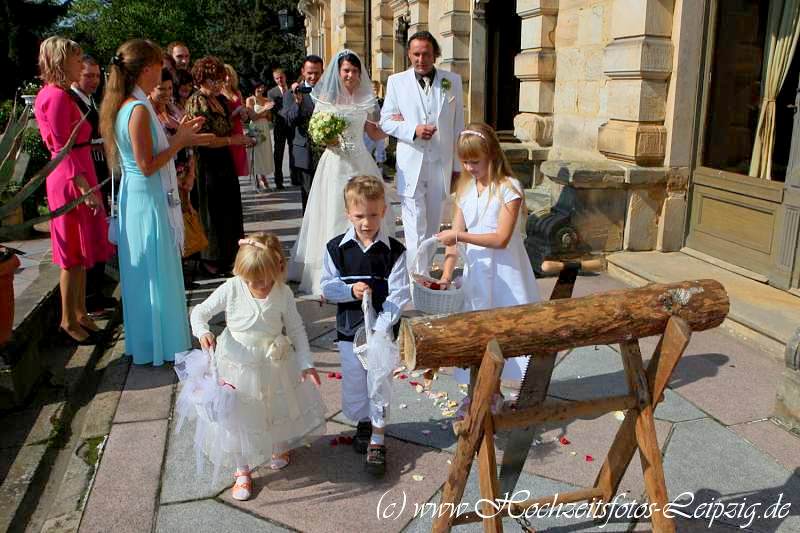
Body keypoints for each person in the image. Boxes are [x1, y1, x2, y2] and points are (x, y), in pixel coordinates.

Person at [189, 232, 327, 500]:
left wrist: (306, 362)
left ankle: (279, 443)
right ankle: (242, 470)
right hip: (237, 363)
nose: (258, 285)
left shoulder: (283, 292)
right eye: (251, 280)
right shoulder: (232, 288)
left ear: (278, 267)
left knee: (276, 406)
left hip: (274, 361)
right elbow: (200, 312)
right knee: (237, 415)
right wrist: (202, 331)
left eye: (264, 280)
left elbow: (296, 328)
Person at [99, 39, 211, 365]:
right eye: (160, 65)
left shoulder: (133, 104)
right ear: (147, 68)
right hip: (146, 200)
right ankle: (161, 344)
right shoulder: (135, 109)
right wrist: (180, 141)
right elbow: (147, 164)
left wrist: (184, 137)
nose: (163, 71)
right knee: (155, 270)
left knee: (152, 272)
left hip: (140, 197)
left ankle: (157, 340)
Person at [437, 123, 541, 385]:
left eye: (475, 161)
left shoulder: (509, 187)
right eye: (465, 162)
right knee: (478, 329)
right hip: (478, 268)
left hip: (506, 267)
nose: (470, 168)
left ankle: (495, 390)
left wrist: (459, 236)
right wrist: (446, 274)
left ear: (492, 154)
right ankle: (480, 389)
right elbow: (454, 237)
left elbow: (501, 238)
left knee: (506, 326)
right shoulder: (465, 189)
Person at [320, 176, 409, 477]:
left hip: (381, 331)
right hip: (349, 330)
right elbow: (327, 287)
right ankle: (364, 423)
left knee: (380, 380)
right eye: (359, 216)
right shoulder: (336, 249)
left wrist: (383, 328)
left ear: (383, 211)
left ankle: (378, 438)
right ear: (348, 214)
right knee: (357, 383)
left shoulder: (394, 251)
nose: (367, 222)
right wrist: (349, 291)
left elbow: (398, 295)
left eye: (373, 214)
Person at [287, 50, 393, 296]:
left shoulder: (366, 99)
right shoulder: (326, 98)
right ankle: (331, 273)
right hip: (334, 164)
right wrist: (327, 137)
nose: (350, 75)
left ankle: (366, 265)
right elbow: (316, 131)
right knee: (334, 212)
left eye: (355, 71)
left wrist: (394, 126)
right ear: (338, 72)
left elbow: (374, 133)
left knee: (366, 209)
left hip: (360, 162)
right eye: (346, 70)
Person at [36, 36, 114, 345]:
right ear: (60, 61)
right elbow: (60, 148)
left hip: (79, 173)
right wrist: (83, 187)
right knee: (71, 255)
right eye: (75, 58)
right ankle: (68, 320)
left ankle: (80, 313)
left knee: (81, 253)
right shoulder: (54, 96)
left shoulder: (63, 94)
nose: (80, 64)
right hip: (70, 180)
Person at [380, 30, 465, 267]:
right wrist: (412, 130)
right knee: (413, 221)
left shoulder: (452, 81)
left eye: (425, 54)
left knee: (432, 223)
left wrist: (458, 166)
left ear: (435, 54)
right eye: (416, 54)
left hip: (440, 164)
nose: (420, 59)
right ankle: (414, 274)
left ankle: (424, 269)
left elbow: (459, 126)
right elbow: (386, 121)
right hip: (411, 163)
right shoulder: (396, 82)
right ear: (408, 54)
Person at [185, 56, 254, 275]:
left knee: (228, 208)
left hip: (223, 158)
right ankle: (211, 259)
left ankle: (228, 256)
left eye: (218, 79)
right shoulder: (197, 101)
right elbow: (202, 138)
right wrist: (231, 141)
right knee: (212, 210)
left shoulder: (219, 99)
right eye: (212, 80)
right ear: (202, 79)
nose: (217, 84)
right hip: (207, 161)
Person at [69, 53, 116, 315]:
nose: (94, 81)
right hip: (85, 171)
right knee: (88, 233)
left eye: (97, 76)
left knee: (100, 229)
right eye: (88, 75)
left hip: (97, 168)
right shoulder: (72, 100)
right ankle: (89, 296)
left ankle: (96, 291)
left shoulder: (91, 100)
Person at [281, 55, 323, 211]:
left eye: (317, 73)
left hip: (327, 151)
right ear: (303, 72)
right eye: (310, 73)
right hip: (305, 153)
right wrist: (298, 103)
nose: (313, 77)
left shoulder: (329, 92)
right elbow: (289, 120)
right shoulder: (291, 94)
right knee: (309, 195)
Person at [245, 82, 275, 190]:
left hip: (265, 127)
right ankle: (259, 177)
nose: (261, 89)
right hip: (255, 128)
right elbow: (252, 117)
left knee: (264, 152)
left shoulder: (267, 100)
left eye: (262, 87)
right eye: (258, 87)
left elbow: (269, 117)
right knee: (257, 152)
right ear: (254, 88)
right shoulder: (250, 100)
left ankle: (263, 176)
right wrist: (264, 109)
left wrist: (266, 111)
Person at [222, 64, 250, 178]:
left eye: (230, 75)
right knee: (229, 164)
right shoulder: (219, 94)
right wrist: (236, 111)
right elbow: (222, 117)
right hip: (227, 131)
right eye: (225, 76)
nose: (228, 78)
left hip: (238, 129)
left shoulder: (237, 92)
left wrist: (244, 114)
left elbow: (244, 117)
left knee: (239, 163)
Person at [267, 68, 291, 189]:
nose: (279, 80)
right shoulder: (272, 93)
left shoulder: (292, 89)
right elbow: (273, 109)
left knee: (294, 152)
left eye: (281, 77)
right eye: (277, 78)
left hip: (292, 126)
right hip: (280, 126)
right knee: (279, 153)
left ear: (285, 77)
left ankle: (295, 177)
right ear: (274, 79)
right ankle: (278, 180)